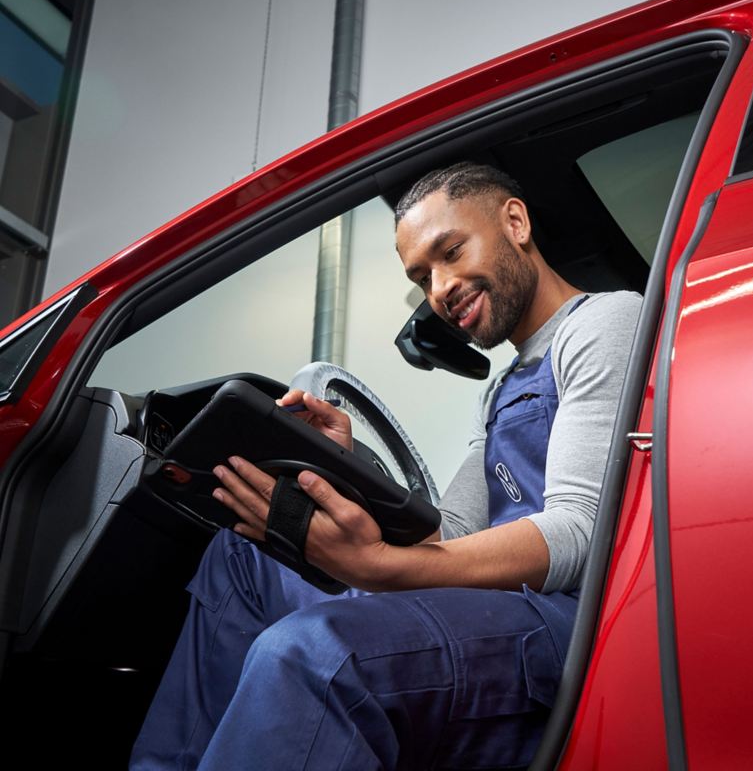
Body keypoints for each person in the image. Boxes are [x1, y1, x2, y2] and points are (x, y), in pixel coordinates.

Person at [130, 162, 641, 770]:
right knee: (242, 558)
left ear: (515, 221)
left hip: (570, 623)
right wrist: (349, 466)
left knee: (319, 653)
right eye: (422, 277)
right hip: (499, 604)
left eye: (451, 252)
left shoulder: (604, 322)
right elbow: (449, 534)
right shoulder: (501, 390)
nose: (441, 289)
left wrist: (381, 568)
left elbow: (581, 532)